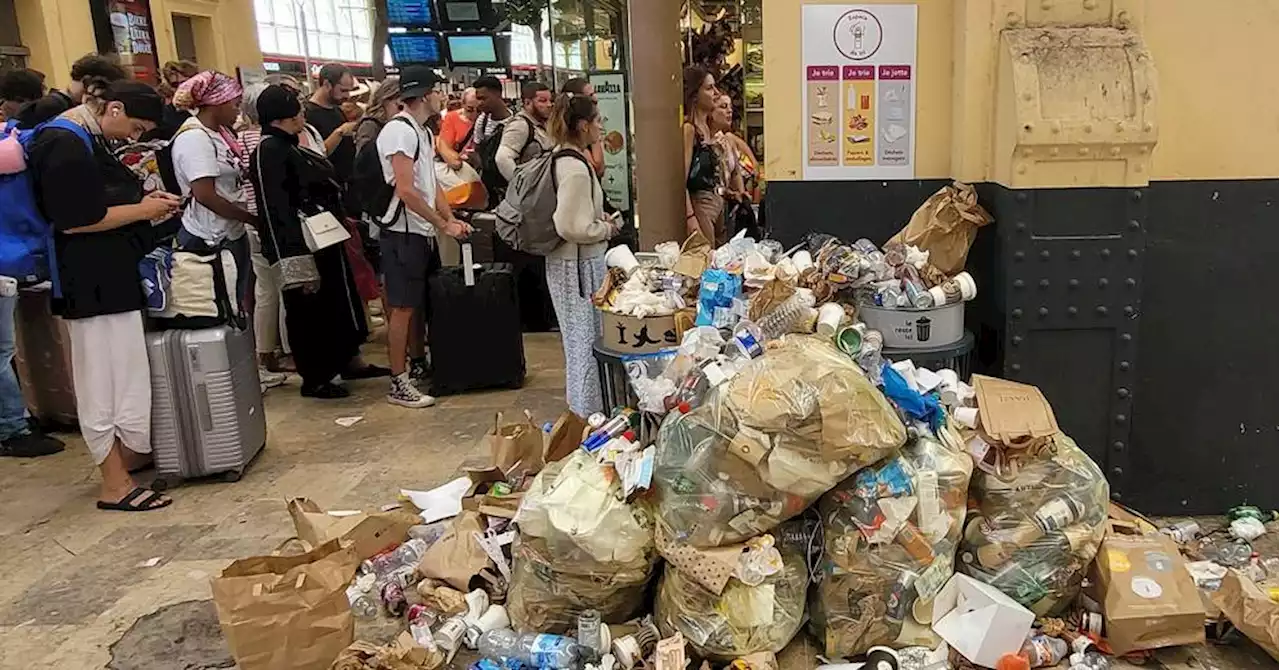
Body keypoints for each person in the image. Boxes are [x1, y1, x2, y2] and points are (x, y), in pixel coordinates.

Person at [27, 81, 183, 510]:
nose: (134, 137)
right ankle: (113, 484)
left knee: (124, 375)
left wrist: (146, 202)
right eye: (135, 126)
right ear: (112, 108)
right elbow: (75, 220)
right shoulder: (63, 142)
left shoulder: (85, 138)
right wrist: (144, 210)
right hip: (88, 283)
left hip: (109, 277)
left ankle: (127, 464)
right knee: (104, 381)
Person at [248, 84, 371, 399]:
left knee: (333, 303)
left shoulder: (287, 146)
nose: (304, 113)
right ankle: (316, 376)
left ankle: (344, 360)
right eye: (298, 109)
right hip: (301, 244)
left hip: (323, 238)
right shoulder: (269, 150)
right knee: (309, 311)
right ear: (284, 116)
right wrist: (291, 257)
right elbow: (274, 206)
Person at [375, 65, 471, 408]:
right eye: (437, 90)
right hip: (402, 232)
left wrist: (449, 218)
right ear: (424, 94)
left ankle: (416, 364)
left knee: (414, 305)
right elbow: (406, 191)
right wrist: (443, 224)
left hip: (419, 229)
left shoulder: (420, 130)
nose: (442, 96)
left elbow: (430, 185)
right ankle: (398, 381)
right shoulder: (399, 132)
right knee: (401, 308)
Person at [545, 94, 618, 417]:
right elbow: (570, 225)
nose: (602, 126)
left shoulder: (563, 157)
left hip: (570, 264)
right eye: (598, 120)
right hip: (578, 267)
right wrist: (604, 230)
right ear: (583, 126)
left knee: (579, 342)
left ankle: (586, 411)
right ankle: (588, 414)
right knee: (584, 342)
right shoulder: (575, 168)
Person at [170, 71, 258, 309]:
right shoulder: (195, 139)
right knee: (225, 304)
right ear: (216, 103)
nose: (237, 110)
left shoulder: (221, 133)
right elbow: (205, 195)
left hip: (232, 230)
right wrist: (251, 218)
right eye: (234, 104)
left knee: (239, 300)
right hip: (211, 236)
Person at [237, 83, 293, 381]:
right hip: (268, 223)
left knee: (265, 291)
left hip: (251, 221)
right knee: (284, 289)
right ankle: (285, 349)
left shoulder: (238, 140)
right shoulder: (268, 142)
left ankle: (265, 351)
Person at [14, 54, 128, 129]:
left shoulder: (56, 103)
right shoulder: (54, 108)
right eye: (103, 90)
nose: (104, 98)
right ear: (88, 82)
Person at [682, 66, 725, 245]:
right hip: (701, 205)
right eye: (709, 88)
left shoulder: (708, 128)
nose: (716, 93)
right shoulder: (690, 130)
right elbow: (681, 179)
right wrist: (690, 217)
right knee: (707, 261)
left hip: (717, 203)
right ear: (694, 94)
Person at [305, 63, 358, 178]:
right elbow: (315, 154)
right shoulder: (307, 114)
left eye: (349, 91)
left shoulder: (337, 109)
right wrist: (340, 132)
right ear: (327, 84)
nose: (347, 95)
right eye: (343, 90)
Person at [495, 81, 555, 181]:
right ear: (527, 103)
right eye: (542, 101)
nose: (549, 105)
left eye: (550, 100)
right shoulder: (520, 125)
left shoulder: (543, 123)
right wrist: (520, 185)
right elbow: (502, 158)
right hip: (531, 189)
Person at [559, 78, 605, 176]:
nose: (596, 99)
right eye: (590, 96)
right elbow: (598, 168)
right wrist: (594, 134)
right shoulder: (570, 140)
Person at [436, 87, 477, 170]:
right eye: (470, 109)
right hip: (461, 168)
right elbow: (446, 147)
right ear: (463, 104)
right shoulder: (452, 118)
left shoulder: (485, 118)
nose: (475, 114)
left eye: (479, 110)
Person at [471, 76, 512, 148]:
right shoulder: (482, 121)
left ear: (498, 94)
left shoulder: (517, 121)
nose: (479, 103)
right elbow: (477, 149)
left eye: (483, 98)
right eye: (478, 99)